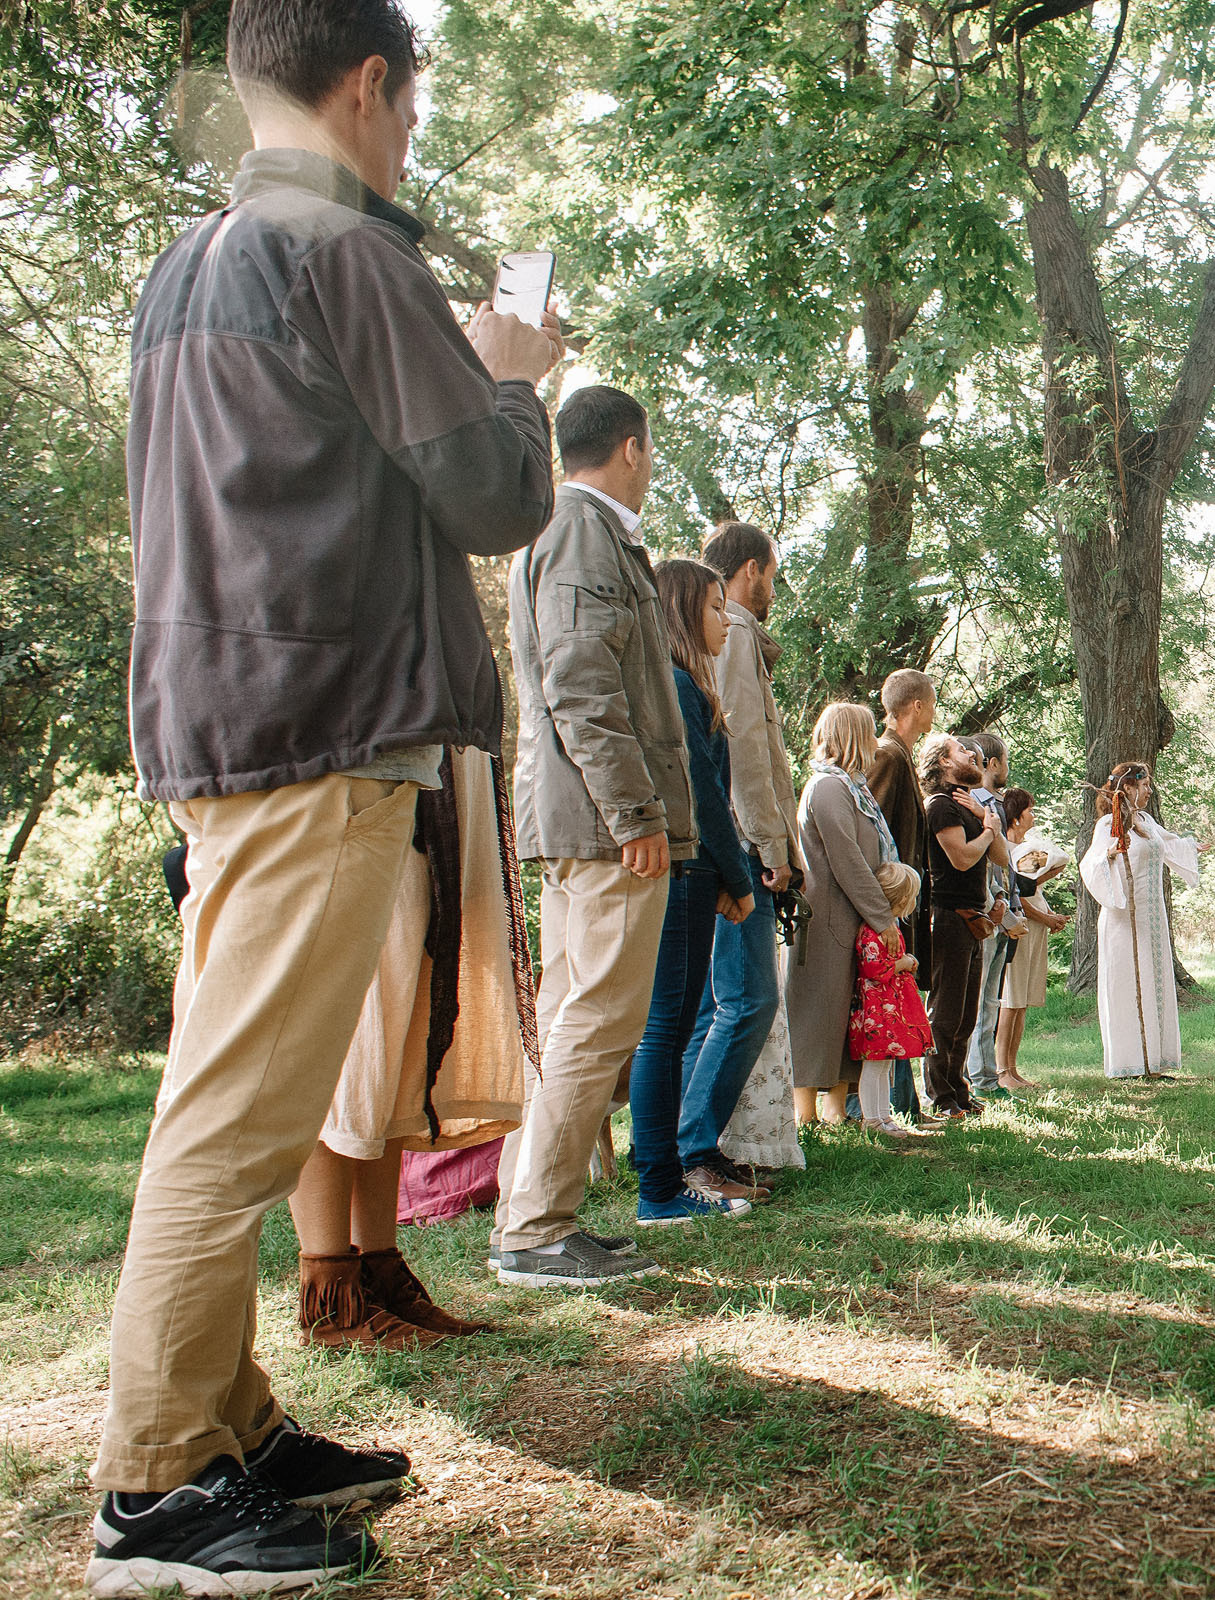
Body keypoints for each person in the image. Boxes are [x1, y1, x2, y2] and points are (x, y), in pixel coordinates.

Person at [96, 1, 563, 1586]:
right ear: (371, 85)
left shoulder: (192, 263)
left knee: (236, 1092)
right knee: (237, 1119)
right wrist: (513, 377)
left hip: (224, 723)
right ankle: (157, 1484)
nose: (409, 140)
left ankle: (229, 1423)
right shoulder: (349, 253)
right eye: (411, 109)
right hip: (322, 731)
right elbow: (494, 494)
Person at [493, 383, 696, 1289]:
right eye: (649, 453)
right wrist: (636, 814)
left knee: (572, 1016)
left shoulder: (568, 528)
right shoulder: (582, 529)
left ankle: (532, 1215)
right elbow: (580, 681)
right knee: (597, 1019)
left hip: (578, 818)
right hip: (602, 823)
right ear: (630, 448)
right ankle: (536, 1229)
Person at [292, 748, 530, 1348]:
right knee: (349, 1047)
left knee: (398, 1052)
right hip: (359, 786)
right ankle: (330, 1295)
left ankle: (378, 1270)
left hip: (430, 793)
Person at [625, 560, 761, 1226]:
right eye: (713, 606)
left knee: (674, 1026)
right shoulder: (677, 686)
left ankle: (664, 1177)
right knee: (666, 1028)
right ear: (681, 611)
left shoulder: (685, 685)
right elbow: (702, 794)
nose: (725, 619)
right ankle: (658, 1186)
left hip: (695, 873)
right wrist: (738, 878)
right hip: (685, 872)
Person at [692, 521, 802, 1175]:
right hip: (741, 846)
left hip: (726, 842)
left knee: (717, 1005)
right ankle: (695, 1148)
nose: (772, 591)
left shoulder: (720, 633)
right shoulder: (732, 634)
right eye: (772, 576)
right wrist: (771, 847)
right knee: (747, 999)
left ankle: (686, 1147)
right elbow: (745, 754)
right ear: (751, 569)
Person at [790, 704, 905, 1122]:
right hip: (827, 920)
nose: (876, 741)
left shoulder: (854, 788)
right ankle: (805, 1114)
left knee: (847, 1013)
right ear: (852, 736)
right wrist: (882, 916)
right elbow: (847, 859)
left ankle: (836, 1109)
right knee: (817, 1011)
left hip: (850, 916)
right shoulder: (827, 788)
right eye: (869, 732)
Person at [1081, 762, 1201, 1080]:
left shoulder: (1145, 821)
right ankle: (1130, 1062)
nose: (1149, 791)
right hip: (1124, 920)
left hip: (1152, 919)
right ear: (1129, 788)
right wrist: (1108, 854)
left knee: (1153, 982)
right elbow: (1090, 863)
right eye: (1145, 785)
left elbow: (1168, 843)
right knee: (1128, 986)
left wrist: (1192, 847)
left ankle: (1154, 1062)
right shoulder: (1109, 823)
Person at [924, 736, 1011, 1113]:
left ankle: (958, 1090)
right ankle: (940, 1096)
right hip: (948, 918)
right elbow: (961, 858)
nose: (973, 755)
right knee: (945, 1013)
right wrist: (989, 830)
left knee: (966, 1014)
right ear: (943, 762)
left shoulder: (970, 805)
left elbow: (1001, 858)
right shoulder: (940, 805)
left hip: (975, 920)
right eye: (962, 752)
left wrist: (986, 820)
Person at [869, 670, 939, 1123]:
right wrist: (884, 908)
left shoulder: (903, 756)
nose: (934, 712)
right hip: (889, 903)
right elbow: (873, 834)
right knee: (889, 1000)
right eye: (932, 703)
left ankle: (905, 1102)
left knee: (903, 997)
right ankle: (886, 1104)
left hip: (906, 902)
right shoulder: (887, 756)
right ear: (916, 706)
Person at [962, 732, 1026, 1101]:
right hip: (983, 912)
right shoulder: (972, 804)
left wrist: (1012, 906)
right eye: (1005, 761)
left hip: (1002, 908)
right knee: (976, 1002)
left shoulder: (995, 805)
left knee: (990, 1001)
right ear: (993, 763)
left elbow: (1005, 863)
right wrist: (996, 908)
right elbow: (980, 866)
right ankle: (978, 1078)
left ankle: (986, 1077)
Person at [853, 863, 936, 1140]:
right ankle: (871, 1119)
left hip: (891, 1008)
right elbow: (873, 968)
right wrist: (904, 963)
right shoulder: (872, 930)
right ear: (902, 899)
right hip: (877, 1011)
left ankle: (884, 1116)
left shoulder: (890, 928)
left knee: (885, 1064)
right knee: (874, 1065)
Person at [997, 790, 1070, 1090]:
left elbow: (1035, 889)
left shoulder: (1029, 849)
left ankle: (1014, 1068)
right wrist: (1045, 918)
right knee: (1011, 999)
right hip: (1019, 925)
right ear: (1016, 817)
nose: (1034, 815)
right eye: (1030, 810)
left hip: (1037, 925)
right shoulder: (1004, 850)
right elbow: (1017, 896)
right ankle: (1001, 1070)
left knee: (1023, 1001)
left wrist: (1050, 914)